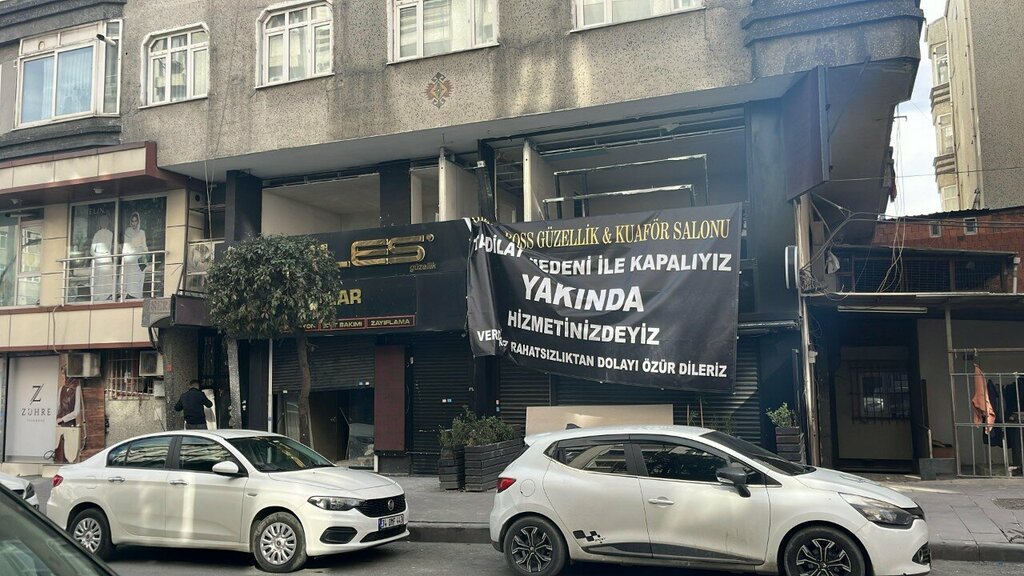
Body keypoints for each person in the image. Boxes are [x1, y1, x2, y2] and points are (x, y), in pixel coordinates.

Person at [121, 212, 149, 299]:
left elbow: (144, 246)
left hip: (139, 258)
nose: (134, 223)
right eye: (132, 221)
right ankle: (128, 295)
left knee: (138, 278)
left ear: (138, 222)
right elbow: (126, 246)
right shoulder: (127, 232)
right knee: (129, 277)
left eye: (135, 221)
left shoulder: (142, 232)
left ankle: (137, 295)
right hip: (130, 258)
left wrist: (147, 256)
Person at [90, 213, 114, 301]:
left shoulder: (111, 234)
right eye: (102, 221)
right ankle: (99, 297)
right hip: (99, 259)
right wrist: (98, 256)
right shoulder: (97, 234)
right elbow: (92, 250)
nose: (104, 223)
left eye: (105, 221)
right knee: (99, 280)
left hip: (107, 258)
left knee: (108, 279)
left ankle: (108, 296)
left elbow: (111, 247)